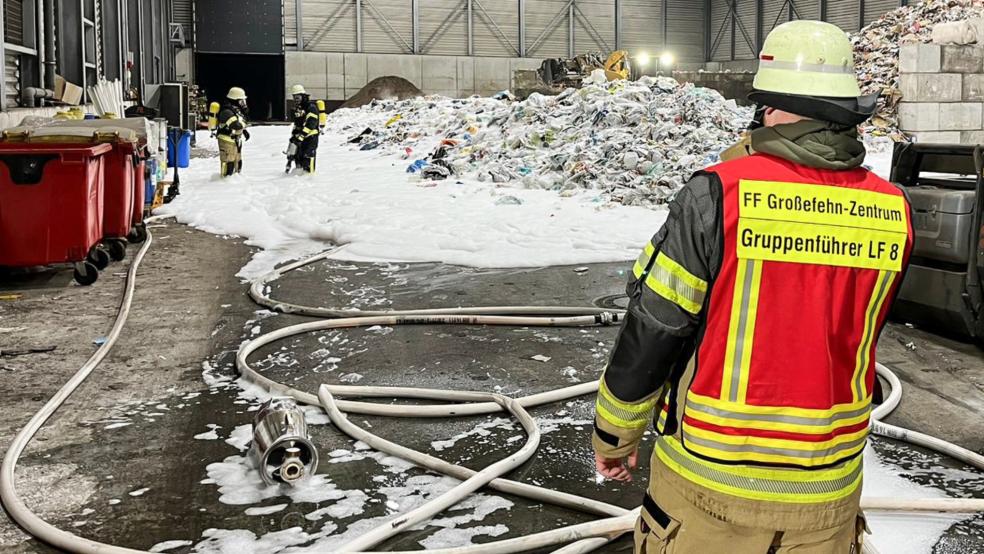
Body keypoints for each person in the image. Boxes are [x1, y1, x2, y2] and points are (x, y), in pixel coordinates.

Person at [592, 20, 913, 554]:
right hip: (829, 487)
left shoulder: (718, 195)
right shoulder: (892, 210)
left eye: (764, 104)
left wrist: (614, 434)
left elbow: (656, 328)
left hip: (711, 485)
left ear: (778, 107)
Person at [287, 84, 322, 174]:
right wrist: (294, 136)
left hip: (311, 137)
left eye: (298, 97)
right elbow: (297, 124)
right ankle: (299, 176)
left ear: (303, 96)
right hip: (301, 138)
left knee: (308, 157)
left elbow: (311, 124)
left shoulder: (311, 107)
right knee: (298, 157)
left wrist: (301, 135)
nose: (296, 100)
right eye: (294, 97)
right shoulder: (298, 109)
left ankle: (310, 177)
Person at [217, 87, 250, 177]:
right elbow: (236, 125)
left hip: (235, 140)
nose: (243, 104)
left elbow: (239, 123)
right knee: (229, 163)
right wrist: (244, 123)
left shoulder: (235, 110)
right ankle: (224, 183)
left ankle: (236, 182)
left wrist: (244, 131)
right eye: (241, 101)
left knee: (237, 161)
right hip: (227, 141)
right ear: (235, 100)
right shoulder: (226, 111)